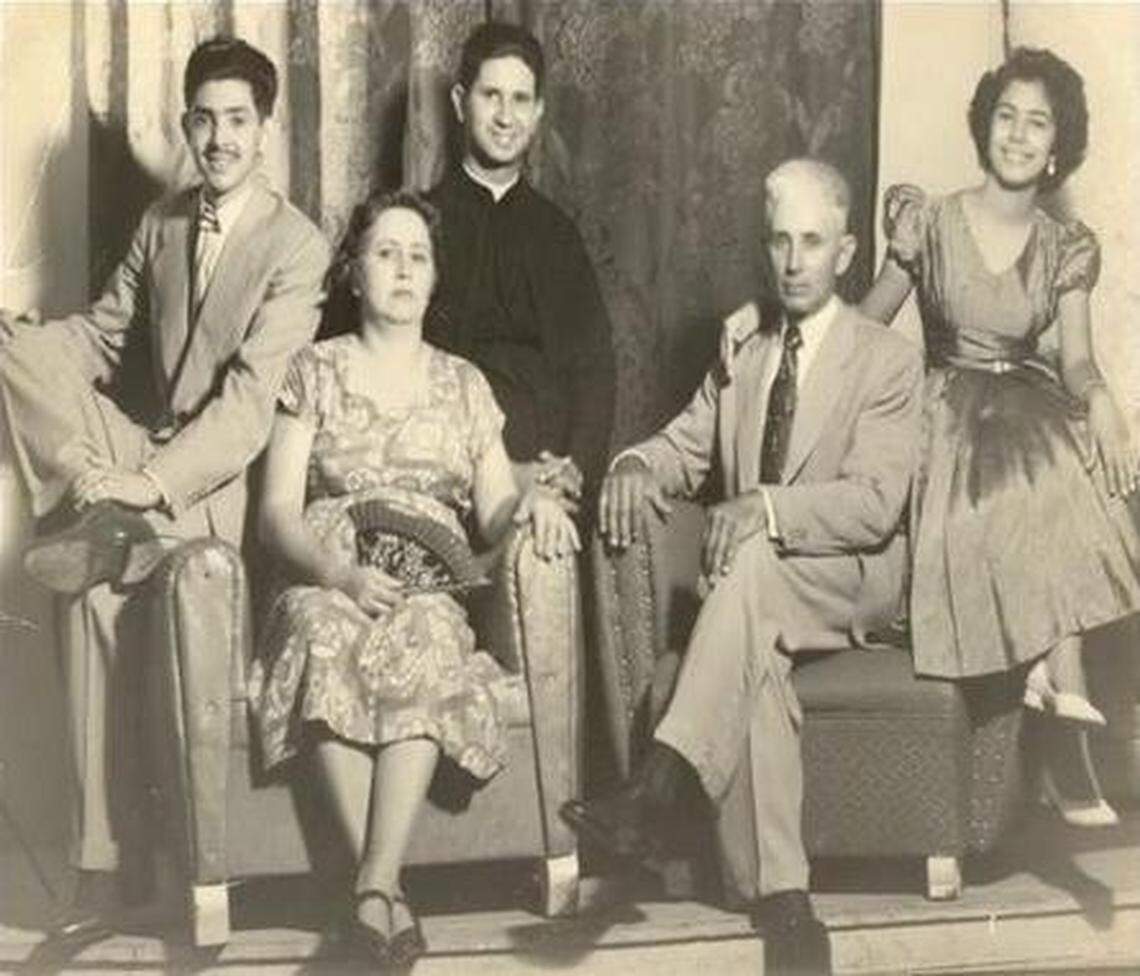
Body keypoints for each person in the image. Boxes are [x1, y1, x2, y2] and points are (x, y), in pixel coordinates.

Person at [0, 37, 329, 936]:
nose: (219, 139)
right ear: (185, 124)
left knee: (90, 598)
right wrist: (29, 339)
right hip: (142, 457)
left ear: (265, 129)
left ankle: (111, 515)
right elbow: (103, 338)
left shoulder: (298, 247)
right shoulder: (164, 223)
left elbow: (249, 410)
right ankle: (101, 867)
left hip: (218, 486)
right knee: (12, 349)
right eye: (204, 120)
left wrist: (148, 484)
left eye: (237, 121)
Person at [562, 159, 924, 976]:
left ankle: (657, 787)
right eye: (779, 242)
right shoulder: (745, 354)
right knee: (754, 664)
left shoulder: (886, 360)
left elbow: (874, 506)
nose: (793, 261)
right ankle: (788, 907)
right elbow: (683, 447)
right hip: (756, 592)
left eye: (813, 242)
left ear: (847, 252)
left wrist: (762, 506)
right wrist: (632, 465)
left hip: (851, 578)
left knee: (749, 563)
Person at [250, 189, 578, 968]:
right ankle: (388, 900)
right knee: (321, 630)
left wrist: (531, 502)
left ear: (434, 280)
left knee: (429, 631)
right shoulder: (315, 369)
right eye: (385, 253)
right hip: (328, 571)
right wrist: (339, 573)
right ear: (354, 272)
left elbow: (493, 509)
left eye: (418, 257)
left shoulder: (465, 384)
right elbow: (275, 514)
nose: (403, 269)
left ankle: (371, 893)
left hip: (427, 586)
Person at [860, 47, 1140, 827]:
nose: (1017, 134)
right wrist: (778, 328)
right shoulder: (929, 220)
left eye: (1037, 123)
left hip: (1025, 403)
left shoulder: (1064, 245)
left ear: (1057, 148)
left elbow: (1076, 360)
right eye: (1006, 116)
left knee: (1068, 455)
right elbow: (865, 327)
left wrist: (1103, 399)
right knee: (1026, 476)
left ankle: (1060, 684)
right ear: (984, 126)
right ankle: (1062, 692)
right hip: (945, 411)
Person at [425, 21, 615, 516]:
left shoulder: (559, 235)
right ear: (460, 103)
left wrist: (576, 467)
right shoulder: (418, 225)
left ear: (538, 112)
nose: (506, 117)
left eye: (520, 100)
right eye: (491, 96)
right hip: (443, 473)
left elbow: (594, 370)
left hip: (546, 478)